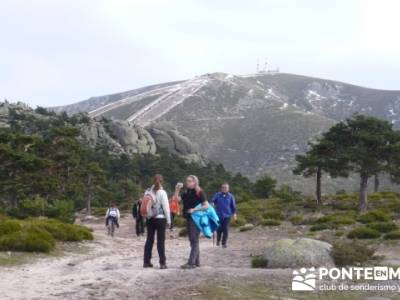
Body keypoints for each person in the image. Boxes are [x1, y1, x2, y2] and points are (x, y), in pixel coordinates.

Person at [181, 175, 209, 269]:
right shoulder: (187, 192)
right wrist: (177, 189)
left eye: (189, 181)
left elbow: (206, 206)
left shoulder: (199, 192)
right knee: (193, 240)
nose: (187, 182)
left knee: (194, 240)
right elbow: (177, 200)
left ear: (194, 182)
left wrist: (194, 210)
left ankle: (191, 263)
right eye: (187, 181)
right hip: (189, 218)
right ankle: (196, 261)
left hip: (196, 218)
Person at [143, 174, 171, 269]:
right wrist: (169, 220)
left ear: (153, 180)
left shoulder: (147, 191)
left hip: (150, 219)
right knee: (160, 242)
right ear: (162, 181)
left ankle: (146, 262)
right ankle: (162, 263)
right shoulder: (162, 192)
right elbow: (166, 208)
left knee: (149, 240)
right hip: (160, 219)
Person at [211, 183, 237, 248]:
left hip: (227, 215)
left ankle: (224, 243)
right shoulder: (217, 195)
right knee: (219, 229)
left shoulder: (231, 196)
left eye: (226, 187)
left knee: (225, 229)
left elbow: (233, 206)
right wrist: (213, 204)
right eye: (223, 187)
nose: (224, 189)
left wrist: (234, 214)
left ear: (228, 189)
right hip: (218, 215)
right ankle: (218, 240)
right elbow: (212, 201)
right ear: (221, 188)